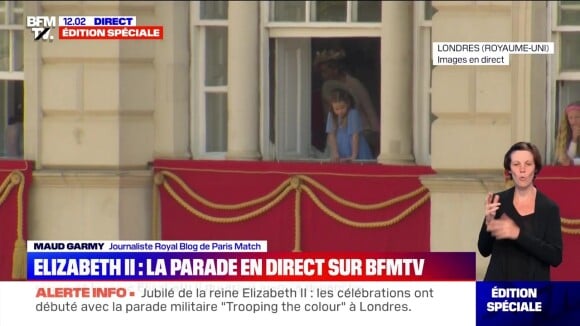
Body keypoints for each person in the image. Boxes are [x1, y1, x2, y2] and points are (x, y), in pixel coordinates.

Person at [478, 142, 562, 281]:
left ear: (535, 169)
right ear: (509, 169)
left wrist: (518, 234)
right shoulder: (498, 201)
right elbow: (484, 250)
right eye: (516, 164)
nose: (522, 169)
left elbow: (555, 257)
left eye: (528, 164)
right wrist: (489, 222)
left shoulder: (549, 208)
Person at [314, 49, 380, 158]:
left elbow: (369, 110)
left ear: (335, 69)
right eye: (321, 72)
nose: (322, 75)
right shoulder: (327, 87)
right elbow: (330, 126)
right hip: (339, 134)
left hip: (363, 130)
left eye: (325, 71)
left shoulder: (354, 84)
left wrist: (378, 135)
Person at [325, 87, 373, 162]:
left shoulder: (352, 113)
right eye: (336, 109)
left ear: (348, 103)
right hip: (340, 146)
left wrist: (354, 155)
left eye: (342, 107)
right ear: (332, 107)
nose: (340, 111)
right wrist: (335, 153)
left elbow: (355, 135)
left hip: (355, 146)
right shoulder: (331, 115)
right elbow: (331, 135)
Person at [555, 101, 580, 166]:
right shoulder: (565, 133)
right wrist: (574, 139)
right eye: (570, 118)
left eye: (577, 117)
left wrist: (573, 162)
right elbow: (567, 160)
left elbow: (570, 162)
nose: (574, 121)